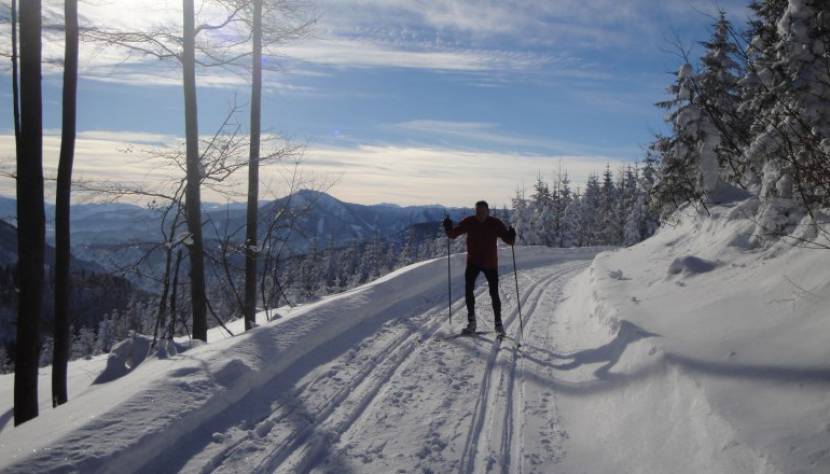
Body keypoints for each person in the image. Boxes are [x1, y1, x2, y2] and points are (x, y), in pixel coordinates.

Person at [443, 200, 516, 336]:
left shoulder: (495, 223)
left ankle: (498, 324)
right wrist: (448, 228)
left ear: (488, 211)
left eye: (482, 212)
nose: (480, 214)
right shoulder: (469, 221)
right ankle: (472, 323)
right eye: (477, 212)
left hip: (490, 263)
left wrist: (512, 236)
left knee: (494, 293)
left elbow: (509, 241)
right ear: (475, 211)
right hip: (473, 262)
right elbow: (453, 235)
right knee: (468, 290)